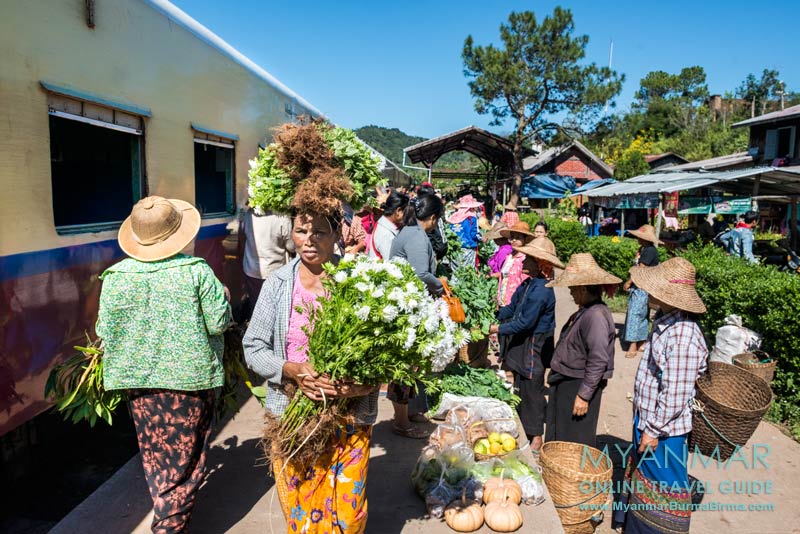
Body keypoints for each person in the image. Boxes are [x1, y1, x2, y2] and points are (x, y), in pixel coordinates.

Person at [96, 196, 232, 532]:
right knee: (186, 461)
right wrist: (225, 299)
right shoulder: (196, 272)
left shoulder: (115, 276)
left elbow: (104, 330)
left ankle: (166, 512)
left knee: (156, 455)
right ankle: (168, 526)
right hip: (191, 382)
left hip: (139, 383)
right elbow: (218, 323)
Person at [243, 207, 377, 534]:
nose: (309, 241)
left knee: (347, 515)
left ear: (337, 234)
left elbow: (382, 354)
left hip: (348, 418)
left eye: (319, 232)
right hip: (293, 418)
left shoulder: (361, 283)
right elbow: (253, 348)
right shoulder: (278, 284)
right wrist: (291, 369)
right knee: (302, 512)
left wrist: (360, 385)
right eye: (301, 231)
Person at [614, 257, 708, 534]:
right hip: (649, 422)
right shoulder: (666, 323)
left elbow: (675, 396)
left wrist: (653, 430)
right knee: (644, 484)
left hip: (665, 432)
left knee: (663, 491)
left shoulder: (684, 337)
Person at [488, 238, 563, 453]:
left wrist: (497, 329)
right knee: (520, 385)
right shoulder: (528, 283)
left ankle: (536, 436)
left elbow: (525, 322)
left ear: (540, 263)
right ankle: (523, 428)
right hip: (524, 341)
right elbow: (511, 309)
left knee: (533, 390)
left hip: (534, 344)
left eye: (528, 258)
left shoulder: (542, 290)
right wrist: (492, 315)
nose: (523, 262)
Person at [545, 253, 620, 447]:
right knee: (561, 433)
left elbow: (598, 359)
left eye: (573, 288)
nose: (570, 292)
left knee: (574, 439)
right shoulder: (586, 310)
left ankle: (572, 475)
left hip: (577, 384)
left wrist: (584, 395)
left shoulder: (595, 316)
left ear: (584, 289)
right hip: (568, 381)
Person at [387, 194, 446, 438]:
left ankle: (408, 412)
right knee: (403, 365)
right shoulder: (417, 237)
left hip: (406, 304)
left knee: (411, 363)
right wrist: (440, 286)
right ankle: (401, 422)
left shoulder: (409, 231)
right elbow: (421, 273)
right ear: (432, 218)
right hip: (405, 309)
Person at [239, 205, 295, 316]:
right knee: (275, 310)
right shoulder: (282, 216)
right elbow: (291, 246)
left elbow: (242, 237)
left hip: (251, 271)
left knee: (256, 309)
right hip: (275, 272)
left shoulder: (250, 213)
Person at [622, 224, 661, 358]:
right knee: (642, 315)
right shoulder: (644, 249)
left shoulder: (649, 251)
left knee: (635, 314)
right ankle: (642, 342)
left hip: (642, 287)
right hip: (641, 287)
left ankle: (633, 344)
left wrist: (629, 282)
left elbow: (641, 269)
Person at [497, 221, 536, 306]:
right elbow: (503, 278)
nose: (514, 240)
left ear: (525, 240)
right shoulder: (509, 256)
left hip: (515, 303)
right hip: (503, 301)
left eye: (518, 237)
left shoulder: (525, 259)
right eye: (512, 237)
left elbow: (526, 284)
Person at [368, 190, 408, 260]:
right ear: (398, 211)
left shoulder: (385, 226)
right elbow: (393, 261)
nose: (407, 216)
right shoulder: (385, 234)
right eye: (406, 212)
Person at [448, 194, 483, 269]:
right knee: (467, 272)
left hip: (455, 249)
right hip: (468, 248)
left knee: (456, 273)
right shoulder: (472, 218)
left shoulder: (453, 217)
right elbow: (474, 234)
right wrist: (482, 238)